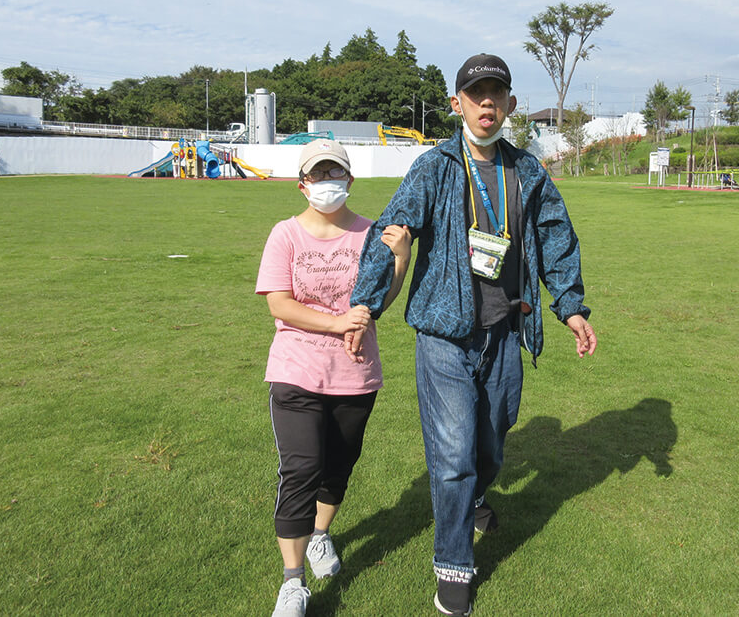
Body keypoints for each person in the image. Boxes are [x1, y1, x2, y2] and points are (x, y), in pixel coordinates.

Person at [347, 53, 597, 616]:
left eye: (496, 94)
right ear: (457, 103)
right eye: (475, 93)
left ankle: (478, 494)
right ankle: (453, 561)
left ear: (509, 104)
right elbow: (392, 232)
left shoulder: (527, 171)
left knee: (493, 439)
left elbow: (557, 237)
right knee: (455, 452)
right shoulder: (434, 167)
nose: (487, 103)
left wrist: (571, 307)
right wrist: (364, 303)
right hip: (444, 332)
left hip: (506, 328)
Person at [255, 139, 409, 617]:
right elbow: (278, 303)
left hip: (355, 374)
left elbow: (379, 299)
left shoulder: (370, 233)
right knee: (301, 470)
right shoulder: (286, 235)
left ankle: (320, 535)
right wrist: (335, 322)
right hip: (295, 370)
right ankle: (293, 582)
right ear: (302, 185)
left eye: (335, 173)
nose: (327, 183)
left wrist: (401, 256)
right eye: (318, 175)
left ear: (350, 180)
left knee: (338, 468)